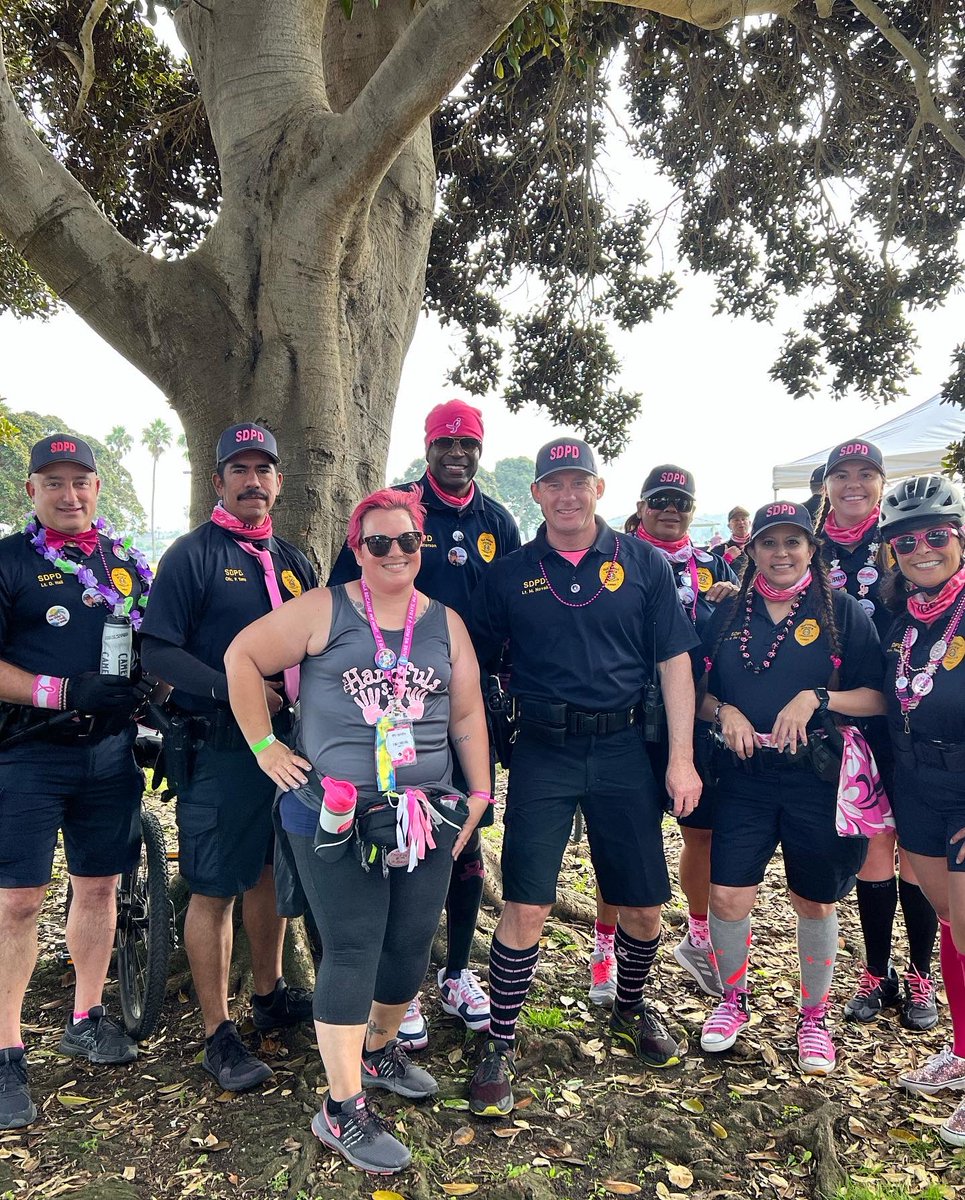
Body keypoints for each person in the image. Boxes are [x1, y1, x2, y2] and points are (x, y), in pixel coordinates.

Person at [225, 486, 492, 1174]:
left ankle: (376, 1050)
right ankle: (340, 1108)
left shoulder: (446, 623)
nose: (395, 552)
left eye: (406, 540)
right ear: (357, 547)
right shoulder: (326, 609)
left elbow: (463, 718)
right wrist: (264, 748)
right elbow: (241, 659)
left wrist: (480, 794)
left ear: (420, 544)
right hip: (333, 811)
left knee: (408, 945)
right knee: (352, 944)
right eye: (379, 541)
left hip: (425, 811)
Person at [466, 437, 702, 1117]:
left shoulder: (644, 566)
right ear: (535, 495)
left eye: (579, 483)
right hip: (542, 748)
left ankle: (629, 1005)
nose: (567, 496)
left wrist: (681, 759)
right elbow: (467, 663)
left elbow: (675, 665)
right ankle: (501, 1040)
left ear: (599, 490)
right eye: (553, 485)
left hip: (626, 747)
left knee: (640, 903)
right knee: (526, 903)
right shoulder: (510, 573)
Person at [328, 399, 520, 1047]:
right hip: (392, 708)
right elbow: (340, 595)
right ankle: (395, 985)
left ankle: (458, 973)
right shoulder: (396, 511)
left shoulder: (498, 521)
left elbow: (511, 612)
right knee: (397, 838)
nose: (457, 454)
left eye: (468, 443)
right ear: (428, 446)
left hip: (469, 712)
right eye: (446, 443)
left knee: (462, 839)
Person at [140, 423, 317, 1092]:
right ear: (218, 481)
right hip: (218, 747)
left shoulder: (297, 562)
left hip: (290, 751)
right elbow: (158, 650)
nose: (252, 480)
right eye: (238, 469)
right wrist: (236, 688)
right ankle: (218, 1033)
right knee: (214, 886)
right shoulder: (191, 556)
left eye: (262, 469)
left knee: (267, 872)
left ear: (277, 480)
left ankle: (269, 993)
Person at [697, 501, 885, 1075]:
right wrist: (721, 710)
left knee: (814, 899)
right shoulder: (724, 616)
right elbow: (692, 692)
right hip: (743, 778)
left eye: (793, 543)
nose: (782, 554)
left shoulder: (843, 613)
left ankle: (813, 1017)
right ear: (751, 552)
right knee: (728, 895)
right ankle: (732, 1001)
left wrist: (818, 698)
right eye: (769, 544)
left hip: (815, 778)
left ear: (811, 549)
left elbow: (876, 698)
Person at [0, 435, 152, 1130]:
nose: (70, 495)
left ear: (97, 488)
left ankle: (86, 1015)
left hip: (111, 755)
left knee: (99, 887)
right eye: (53, 482)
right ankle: (6, 1049)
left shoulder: (124, 565)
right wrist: (61, 691)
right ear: (31, 491)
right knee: (19, 903)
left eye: (81, 481)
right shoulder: (9, 561)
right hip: (28, 753)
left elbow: (157, 641)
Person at [582, 466, 737, 1005]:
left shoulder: (717, 566)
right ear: (642, 505)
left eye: (682, 502)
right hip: (629, 719)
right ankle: (605, 946)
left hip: (697, 718)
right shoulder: (616, 558)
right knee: (621, 836)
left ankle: (698, 938)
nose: (671, 509)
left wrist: (732, 596)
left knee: (702, 833)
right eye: (660, 499)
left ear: (694, 510)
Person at [816, 439, 937, 1030]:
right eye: (843, 475)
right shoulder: (803, 546)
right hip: (840, 721)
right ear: (826, 485)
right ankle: (874, 973)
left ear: (882, 483)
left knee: (914, 851)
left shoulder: (905, 543)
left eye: (867, 474)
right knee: (872, 849)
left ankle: (919, 977)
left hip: (910, 716)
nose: (854, 485)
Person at [880, 477, 965, 1144]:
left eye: (936, 534)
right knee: (947, 922)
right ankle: (960, 1055)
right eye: (906, 540)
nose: (922, 548)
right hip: (914, 785)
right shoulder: (898, 614)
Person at [713, 506, 752, 578]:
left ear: (750, 523)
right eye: (736, 520)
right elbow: (712, 576)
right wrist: (727, 558)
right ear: (729, 526)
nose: (741, 522)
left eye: (743, 519)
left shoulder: (759, 546)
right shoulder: (718, 550)